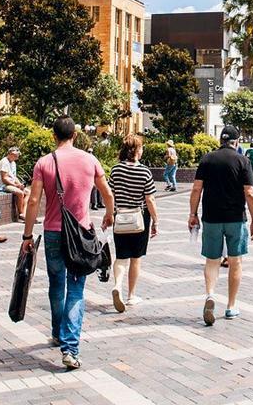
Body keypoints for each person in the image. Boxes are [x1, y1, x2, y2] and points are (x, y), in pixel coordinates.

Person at [22, 116, 115, 371]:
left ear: (54, 136)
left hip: (53, 233)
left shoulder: (44, 162)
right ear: (75, 135)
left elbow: (32, 201)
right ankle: (70, 348)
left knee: (56, 284)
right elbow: (107, 192)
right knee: (76, 291)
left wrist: (27, 236)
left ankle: (56, 332)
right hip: (81, 235)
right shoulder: (90, 160)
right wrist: (109, 213)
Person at [189, 125, 253, 325]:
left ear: (221, 140)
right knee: (235, 261)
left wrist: (193, 214)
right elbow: (250, 192)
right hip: (236, 218)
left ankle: (210, 294)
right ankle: (231, 305)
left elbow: (196, 189)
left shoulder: (207, 159)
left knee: (212, 260)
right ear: (236, 142)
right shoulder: (242, 160)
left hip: (211, 217)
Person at [108, 135, 159, 312]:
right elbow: (150, 199)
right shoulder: (144, 171)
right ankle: (131, 295)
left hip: (120, 217)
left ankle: (117, 286)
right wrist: (155, 220)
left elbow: (110, 195)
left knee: (121, 256)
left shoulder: (115, 170)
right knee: (135, 258)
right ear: (137, 150)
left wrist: (109, 215)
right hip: (139, 218)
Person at [0, 146, 30, 215]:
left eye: (18, 155)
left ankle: (24, 212)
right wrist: (16, 185)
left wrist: (20, 184)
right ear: (10, 154)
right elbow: (4, 179)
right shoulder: (4, 162)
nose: (17, 157)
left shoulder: (13, 163)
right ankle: (21, 213)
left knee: (28, 192)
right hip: (3, 186)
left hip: (11, 184)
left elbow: (14, 177)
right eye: (16, 155)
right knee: (20, 193)